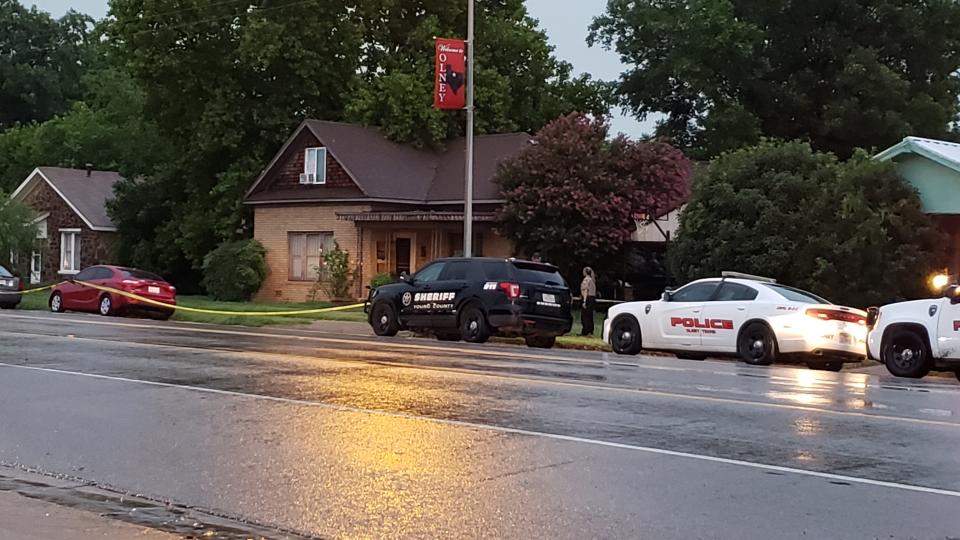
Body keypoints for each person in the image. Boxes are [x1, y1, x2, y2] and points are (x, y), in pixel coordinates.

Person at [580, 267, 597, 336]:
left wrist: (584, 301)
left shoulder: (586, 280)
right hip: (592, 298)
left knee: (585, 316)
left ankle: (585, 331)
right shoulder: (592, 280)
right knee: (590, 315)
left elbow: (585, 290)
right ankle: (590, 330)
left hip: (587, 298)